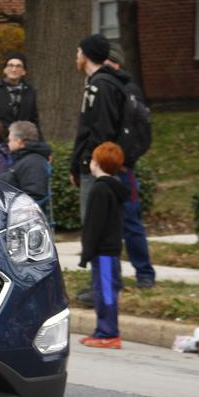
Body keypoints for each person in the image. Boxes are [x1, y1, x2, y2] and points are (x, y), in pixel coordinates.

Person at [104, 42, 156, 289]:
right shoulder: (103, 87)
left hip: (123, 169)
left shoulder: (128, 90)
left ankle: (145, 274)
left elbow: (138, 132)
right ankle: (110, 278)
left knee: (131, 222)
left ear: (114, 62)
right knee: (105, 224)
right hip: (102, 168)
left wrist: (123, 160)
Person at [78, 141, 130, 349]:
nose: (90, 162)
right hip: (110, 250)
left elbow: (94, 225)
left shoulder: (100, 189)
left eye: (92, 159)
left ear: (98, 163)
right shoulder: (114, 187)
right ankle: (103, 331)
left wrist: (86, 253)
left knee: (106, 292)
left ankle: (108, 333)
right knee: (106, 291)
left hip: (104, 251)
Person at [69, 34, 123, 218]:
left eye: (78, 52)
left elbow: (102, 128)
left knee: (94, 224)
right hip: (93, 164)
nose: (76, 57)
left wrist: (89, 162)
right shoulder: (98, 83)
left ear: (86, 55)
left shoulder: (101, 86)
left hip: (96, 166)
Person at [0, 52, 40, 132]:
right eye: (10, 65)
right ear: (4, 70)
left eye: (18, 66)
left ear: (24, 71)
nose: (14, 69)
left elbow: (34, 120)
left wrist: (40, 142)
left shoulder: (30, 92)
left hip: (22, 141)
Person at [0, 120, 52, 202]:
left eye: (9, 140)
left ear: (19, 141)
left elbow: (34, 195)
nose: (7, 143)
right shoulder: (22, 159)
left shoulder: (33, 162)